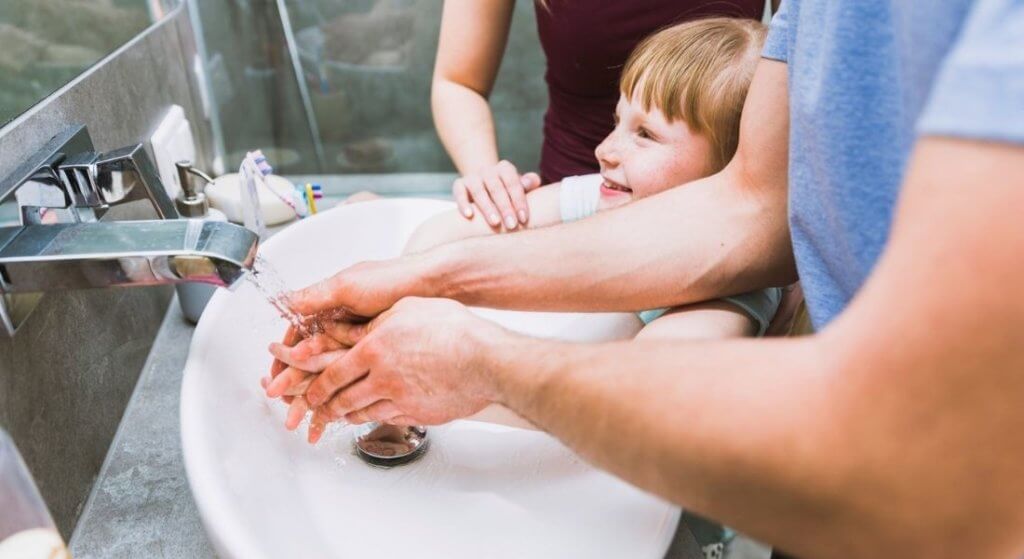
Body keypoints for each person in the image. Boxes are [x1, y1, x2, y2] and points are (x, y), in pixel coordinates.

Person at [270, 1, 1024, 557]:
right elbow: (750, 200)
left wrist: (471, 365)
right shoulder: (632, 184)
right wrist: (412, 282)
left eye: (645, 133)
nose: (604, 151)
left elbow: (947, 455)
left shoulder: (731, 301)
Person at [431, 0, 767, 229]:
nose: (603, 151)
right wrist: (491, 185)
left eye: (645, 133)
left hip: (725, 219)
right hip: (575, 208)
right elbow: (458, 83)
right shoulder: (574, 199)